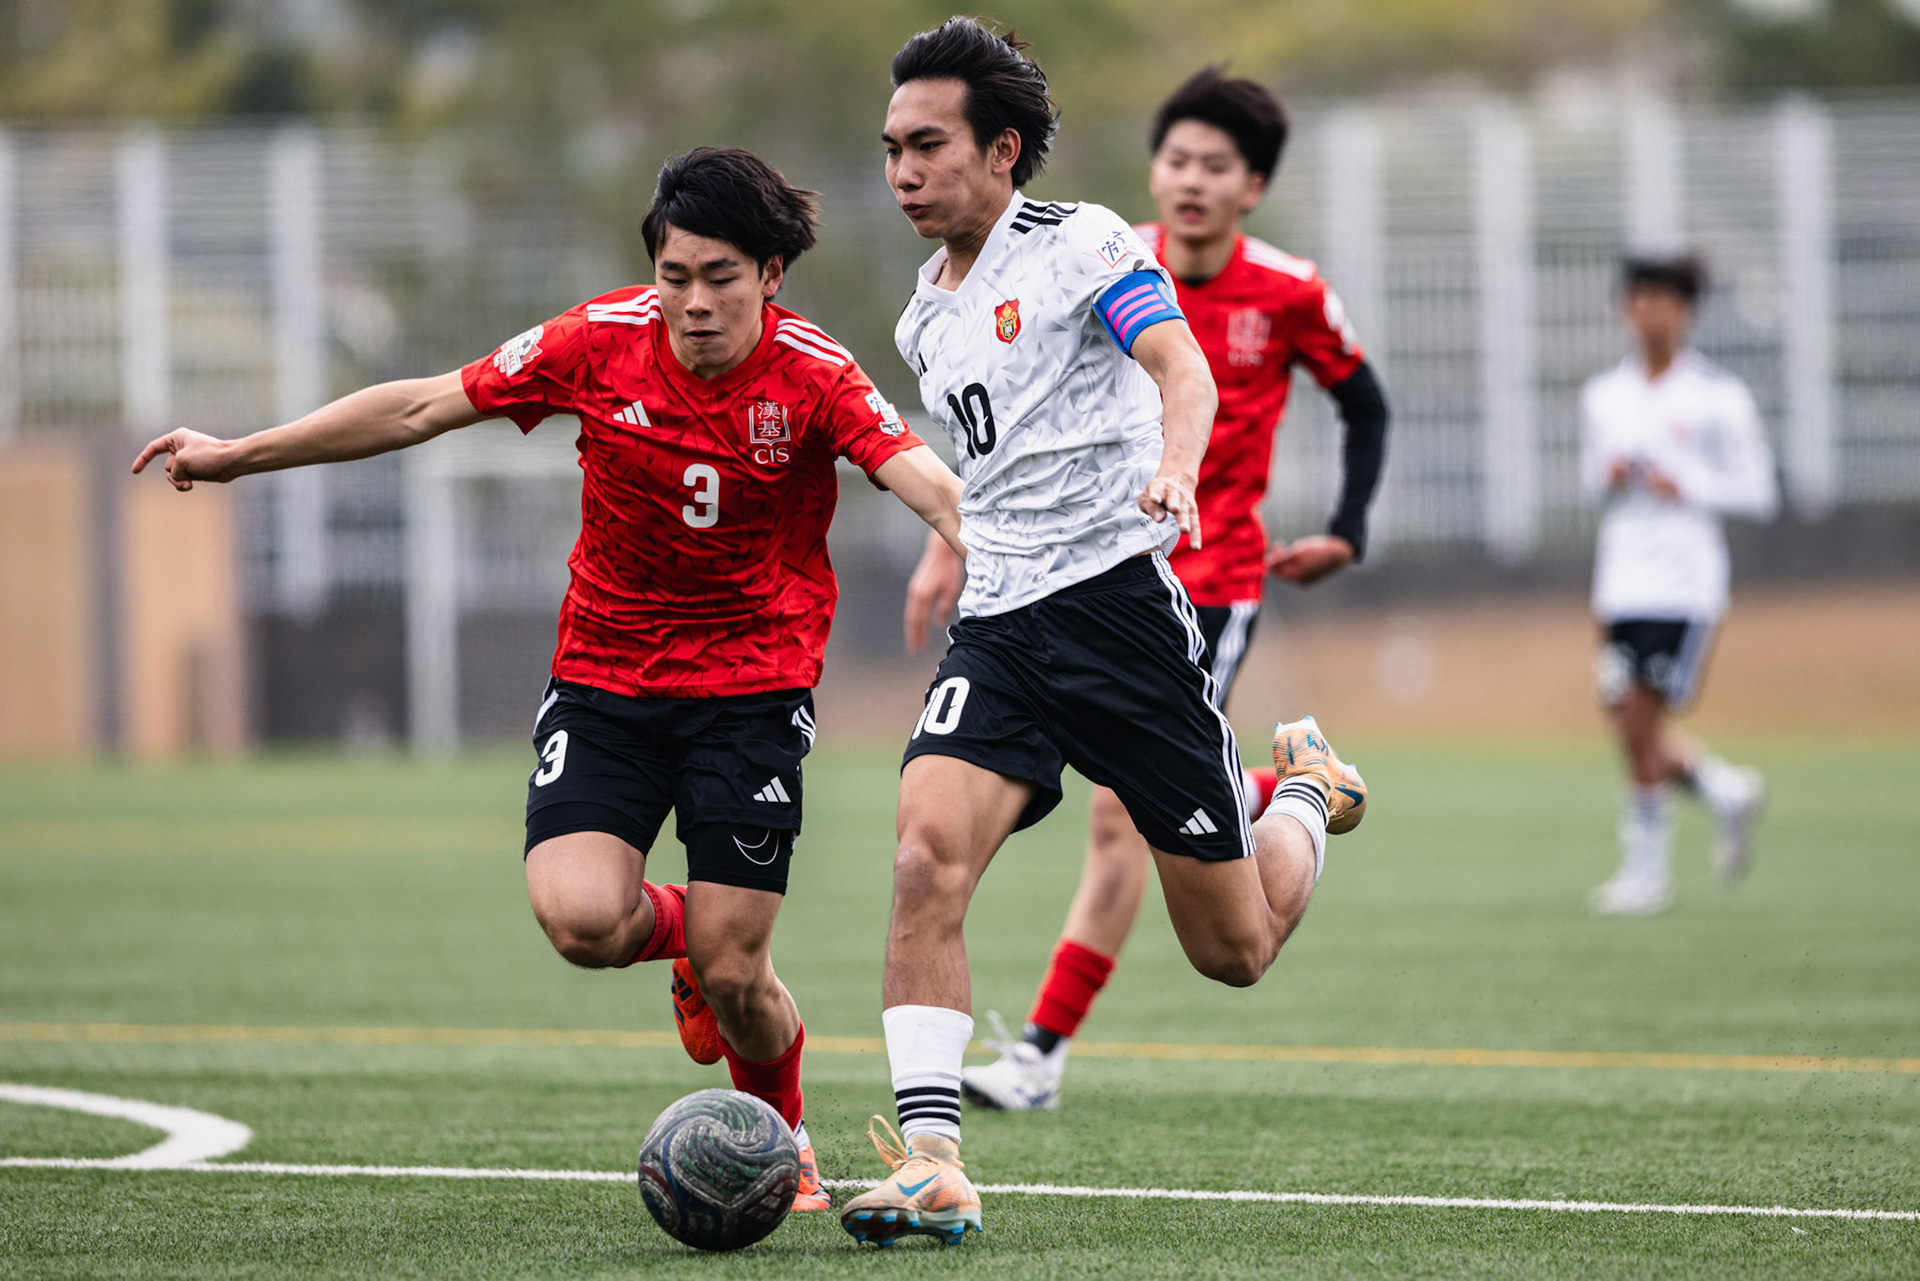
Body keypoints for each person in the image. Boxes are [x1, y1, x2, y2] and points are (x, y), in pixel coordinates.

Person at [131, 147, 965, 1214]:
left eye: (722, 277)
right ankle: (682, 932)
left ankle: (783, 1135)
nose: (696, 303)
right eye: (676, 277)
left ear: (771, 276)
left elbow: (919, 473)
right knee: (581, 922)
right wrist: (242, 453)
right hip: (606, 678)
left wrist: (973, 539)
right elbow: (422, 407)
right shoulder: (596, 342)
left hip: (753, 690)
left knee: (738, 970)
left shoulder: (814, 375)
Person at [839, 20, 1370, 1247]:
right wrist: (944, 546)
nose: (902, 172)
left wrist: (1178, 470)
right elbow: (994, 463)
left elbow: (1187, 372)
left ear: (1002, 149)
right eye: (889, 150)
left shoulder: (1080, 242)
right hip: (1003, 631)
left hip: (1124, 617)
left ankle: (1302, 792)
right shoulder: (926, 312)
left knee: (1233, 952)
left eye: (927, 147)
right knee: (925, 859)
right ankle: (933, 1163)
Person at [1579, 255, 1776, 916]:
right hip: (1621, 582)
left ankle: (1646, 870)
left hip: (1684, 584)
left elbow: (1758, 492)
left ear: (1686, 311)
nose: (1650, 313)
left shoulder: (1717, 396)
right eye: (1639, 299)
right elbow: (1589, 482)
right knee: (1626, 721)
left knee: (1640, 719)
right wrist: (1608, 477)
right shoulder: (1605, 394)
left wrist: (1685, 484)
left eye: (1663, 300)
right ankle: (1724, 790)